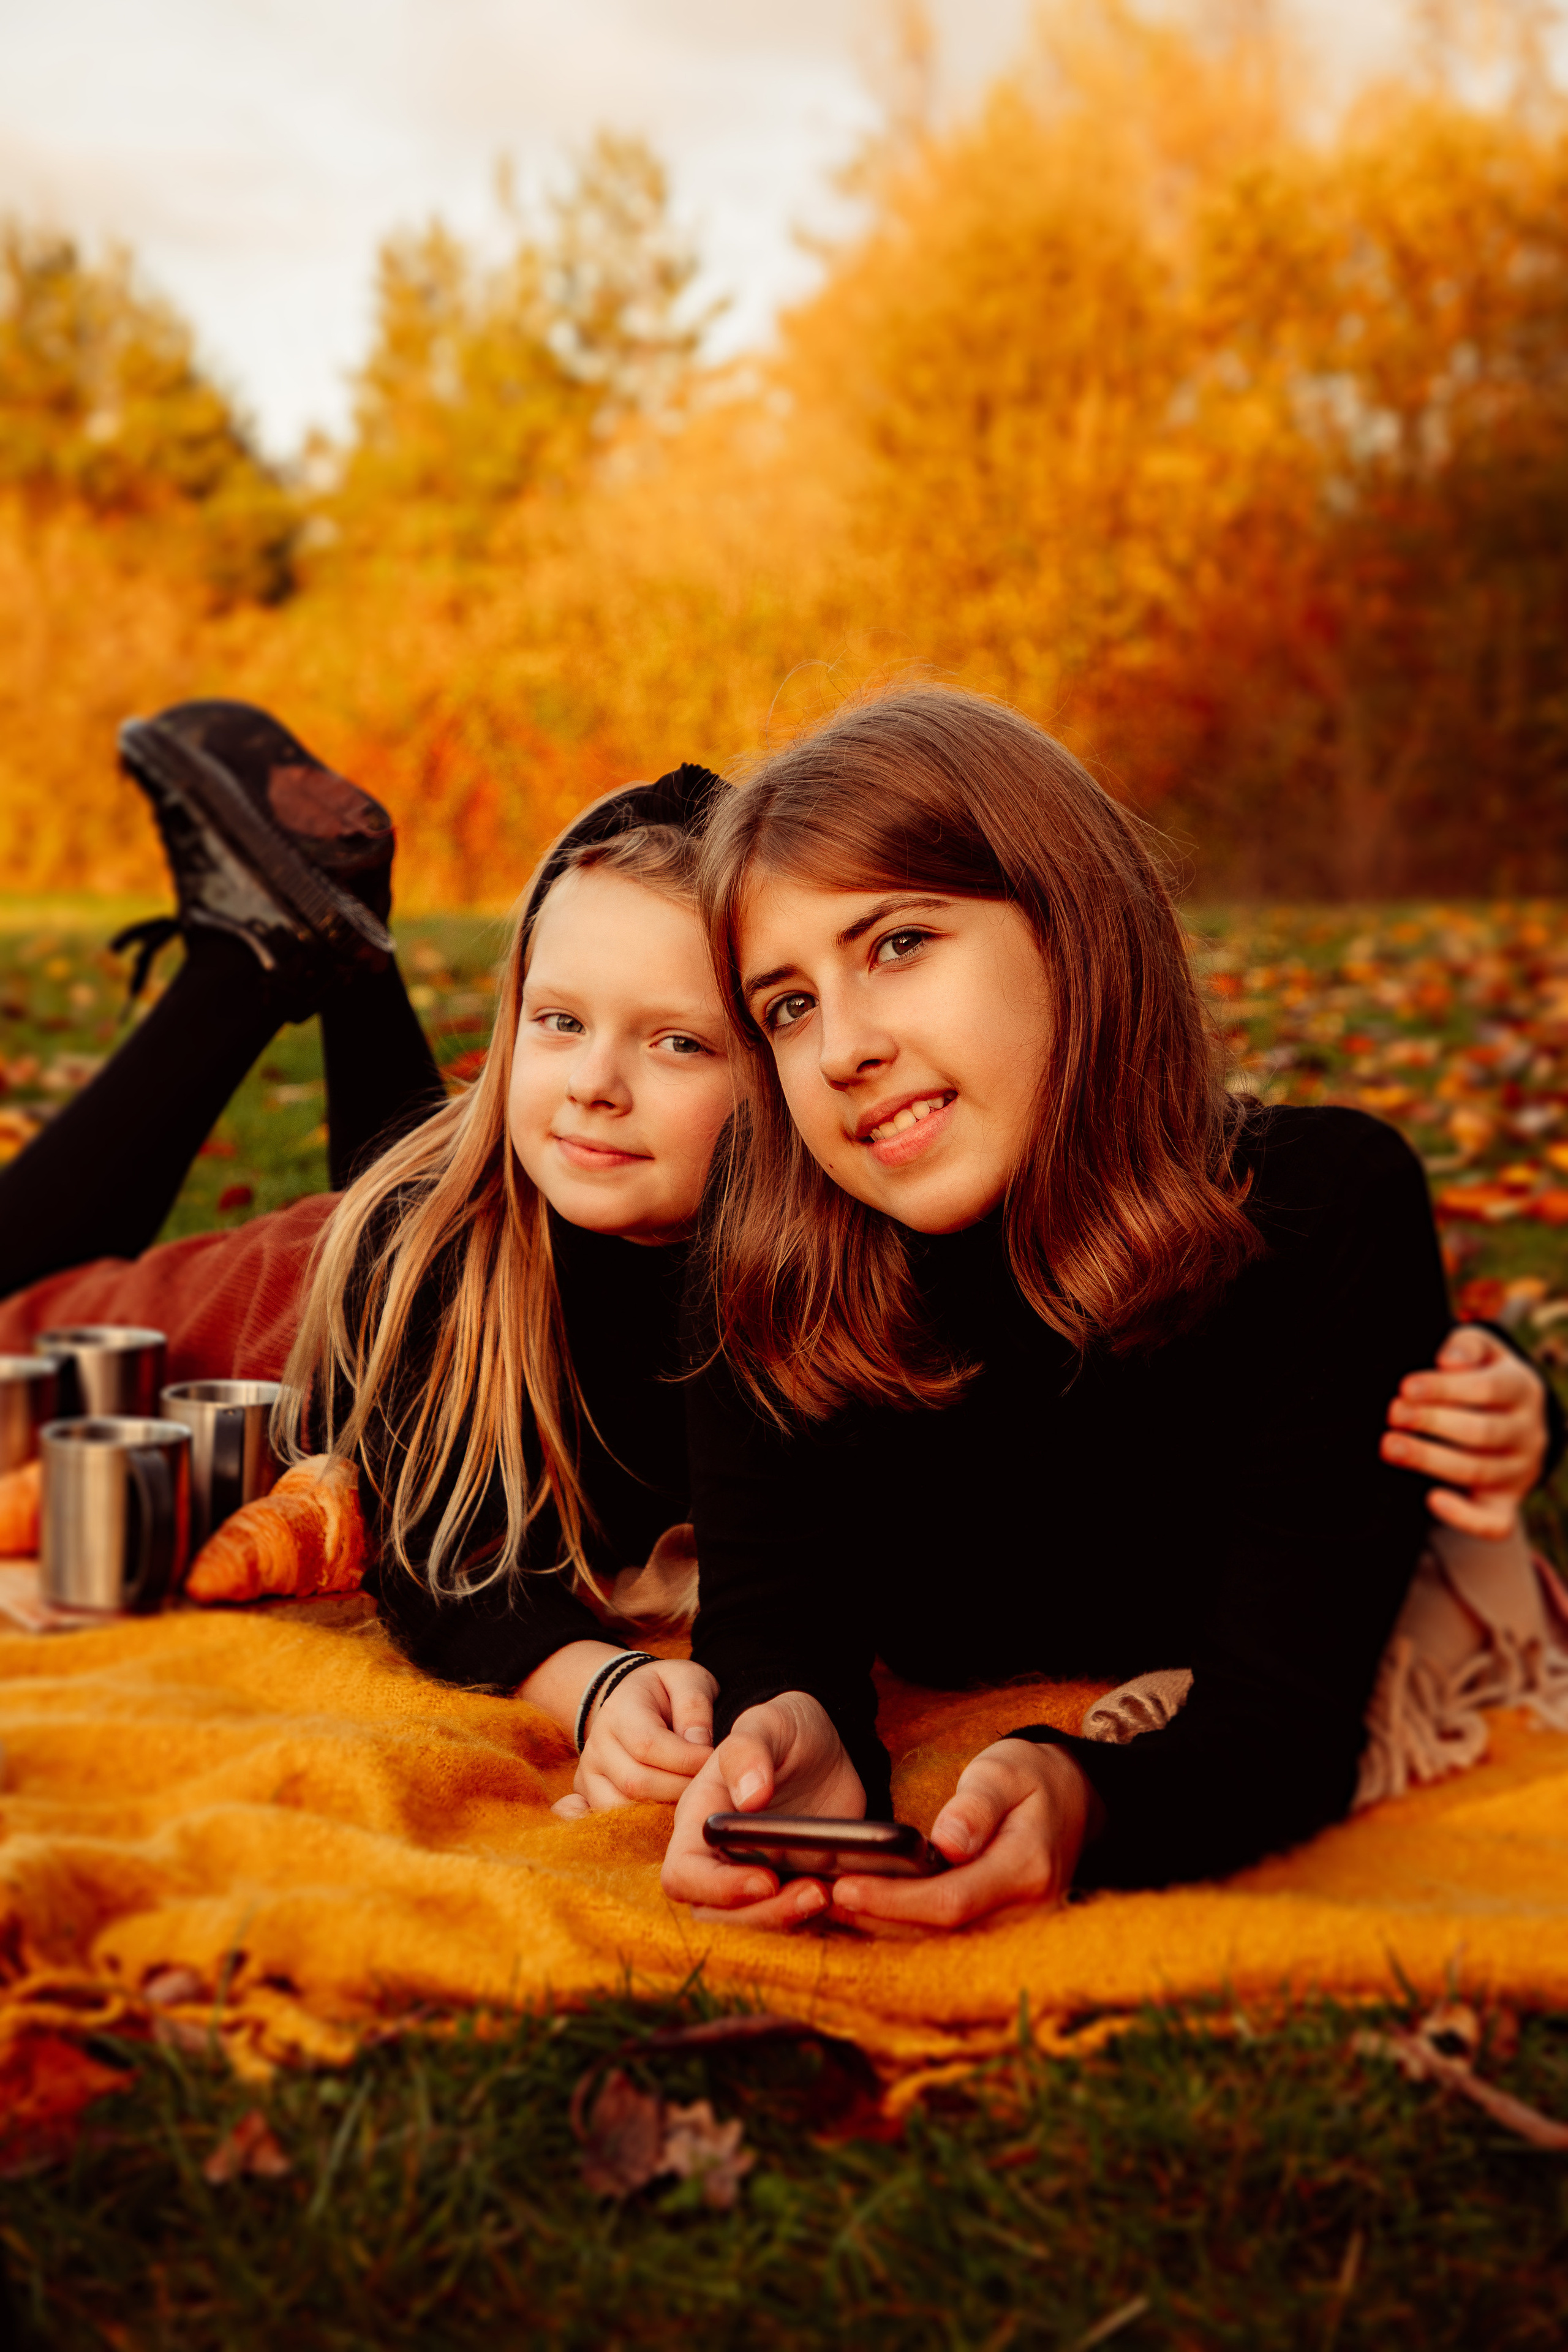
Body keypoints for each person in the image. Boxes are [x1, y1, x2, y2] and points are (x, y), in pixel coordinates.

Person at [659, 686, 1562, 1929]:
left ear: (1068, 920)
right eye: (788, 1005)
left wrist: (1085, 1800)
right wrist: (792, 1729)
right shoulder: (767, 1240)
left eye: (897, 943)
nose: (839, 1050)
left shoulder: (1317, 1213)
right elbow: (770, 1621)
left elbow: (1280, 1726)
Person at [0, 701, 732, 1813]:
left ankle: (332, 937)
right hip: (229, 1323)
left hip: (414, 1244)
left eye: (678, 1039)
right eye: (558, 1021)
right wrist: (594, 1681)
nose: (595, 1080)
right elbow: (436, 1554)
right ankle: (248, 960)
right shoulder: (432, 1250)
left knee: (429, 1192)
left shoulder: (803, 1270)